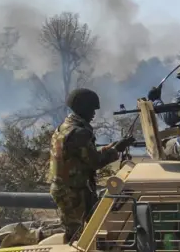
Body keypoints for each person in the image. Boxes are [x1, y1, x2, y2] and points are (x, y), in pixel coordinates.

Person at [49, 88, 135, 244]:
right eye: (92, 109)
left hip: (66, 189)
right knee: (79, 236)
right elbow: (95, 162)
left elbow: (84, 156)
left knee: (76, 231)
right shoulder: (79, 132)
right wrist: (117, 150)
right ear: (82, 107)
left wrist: (109, 148)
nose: (94, 113)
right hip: (73, 193)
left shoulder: (65, 127)